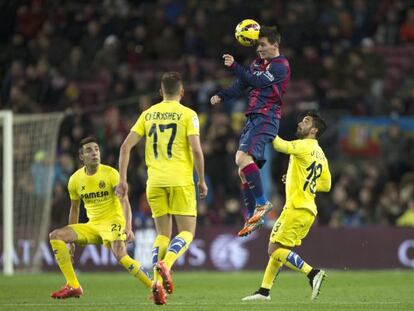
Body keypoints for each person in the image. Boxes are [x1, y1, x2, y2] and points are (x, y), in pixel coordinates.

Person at [116, 72, 208, 305]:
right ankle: (167, 263)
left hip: (154, 182)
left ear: (160, 92)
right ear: (182, 91)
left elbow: (126, 147)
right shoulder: (188, 114)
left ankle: (157, 284)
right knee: (187, 232)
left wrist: (123, 180)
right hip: (180, 180)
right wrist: (202, 180)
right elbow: (196, 150)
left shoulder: (148, 114)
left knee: (162, 235)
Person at [49, 136, 157, 300]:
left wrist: (128, 226)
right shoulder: (75, 180)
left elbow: (124, 200)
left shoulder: (111, 174)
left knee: (120, 254)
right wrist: (70, 242)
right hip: (93, 225)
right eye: (89, 150)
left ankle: (154, 286)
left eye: (97, 149)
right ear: (81, 156)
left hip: (114, 221)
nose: (94, 153)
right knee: (56, 236)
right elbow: (75, 209)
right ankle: (73, 285)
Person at [242, 111, 331, 301]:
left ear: (313, 130)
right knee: (278, 249)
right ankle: (264, 291)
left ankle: (312, 273)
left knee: (273, 249)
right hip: (308, 210)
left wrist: (267, 125)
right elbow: (326, 184)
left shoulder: (302, 145)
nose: (300, 123)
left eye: (305, 121)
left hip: (296, 208)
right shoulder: (321, 154)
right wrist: (296, 177)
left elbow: (280, 145)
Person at [210, 25, 290, 237]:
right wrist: (222, 95)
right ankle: (252, 216)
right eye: (257, 45)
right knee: (243, 170)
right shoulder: (257, 63)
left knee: (241, 158)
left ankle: (262, 204)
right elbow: (242, 83)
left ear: (275, 44)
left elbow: (257, 82)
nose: (259, 49)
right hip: (254, 117)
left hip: (267, 116)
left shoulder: (281, 66)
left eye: (263, 45)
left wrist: (235, 65)